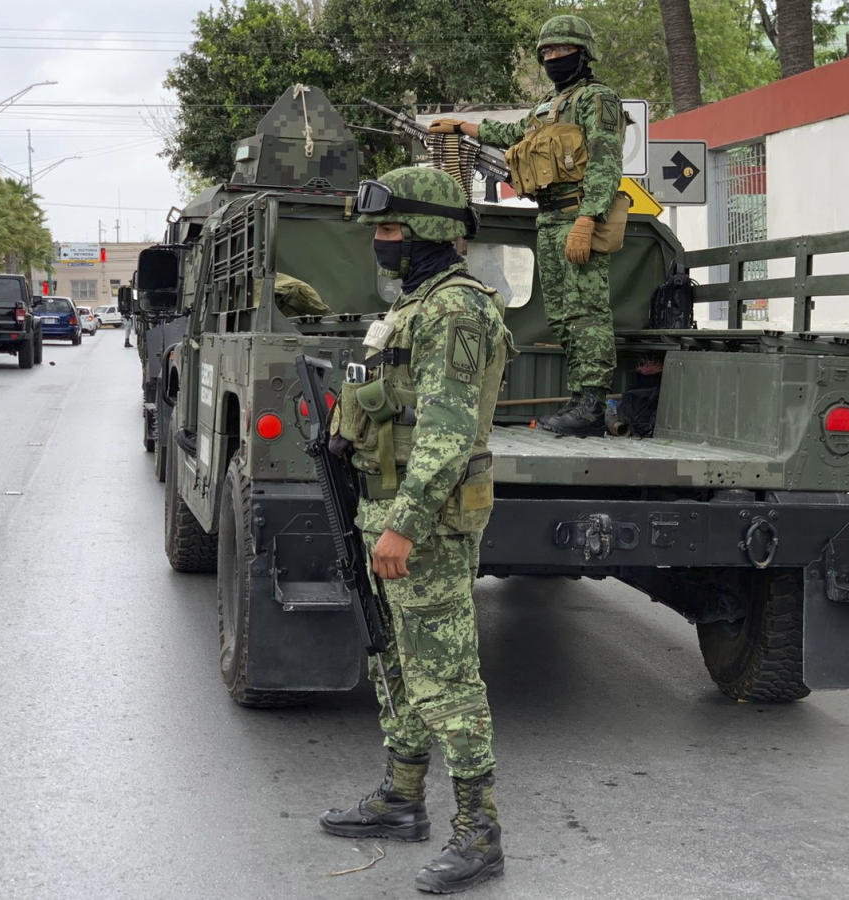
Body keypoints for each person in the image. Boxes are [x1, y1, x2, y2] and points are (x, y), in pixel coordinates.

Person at [319, 166, 511, 894]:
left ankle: (479, 833)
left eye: (391, 228)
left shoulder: (456, 311)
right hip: (385, 510)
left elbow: (447, 435)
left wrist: (401, 526)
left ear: (430, 230)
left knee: (447, 679)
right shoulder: (414, 306)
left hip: (422, 523)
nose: (380, 241)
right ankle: (401, 799)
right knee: (393, 662)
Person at [429, 14, 625, 436]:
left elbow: (607, 163)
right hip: (551, 219)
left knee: (586, 313)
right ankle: (580, 400)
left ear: (582, 53)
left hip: (577, 215)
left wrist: (588, 219)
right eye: (547, 52)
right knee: (562, 314)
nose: (553, 58)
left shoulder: (597, 99)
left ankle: (592, 403)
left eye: (561, 50)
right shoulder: (549, 108)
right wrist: (465, 126)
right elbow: (514, 132)